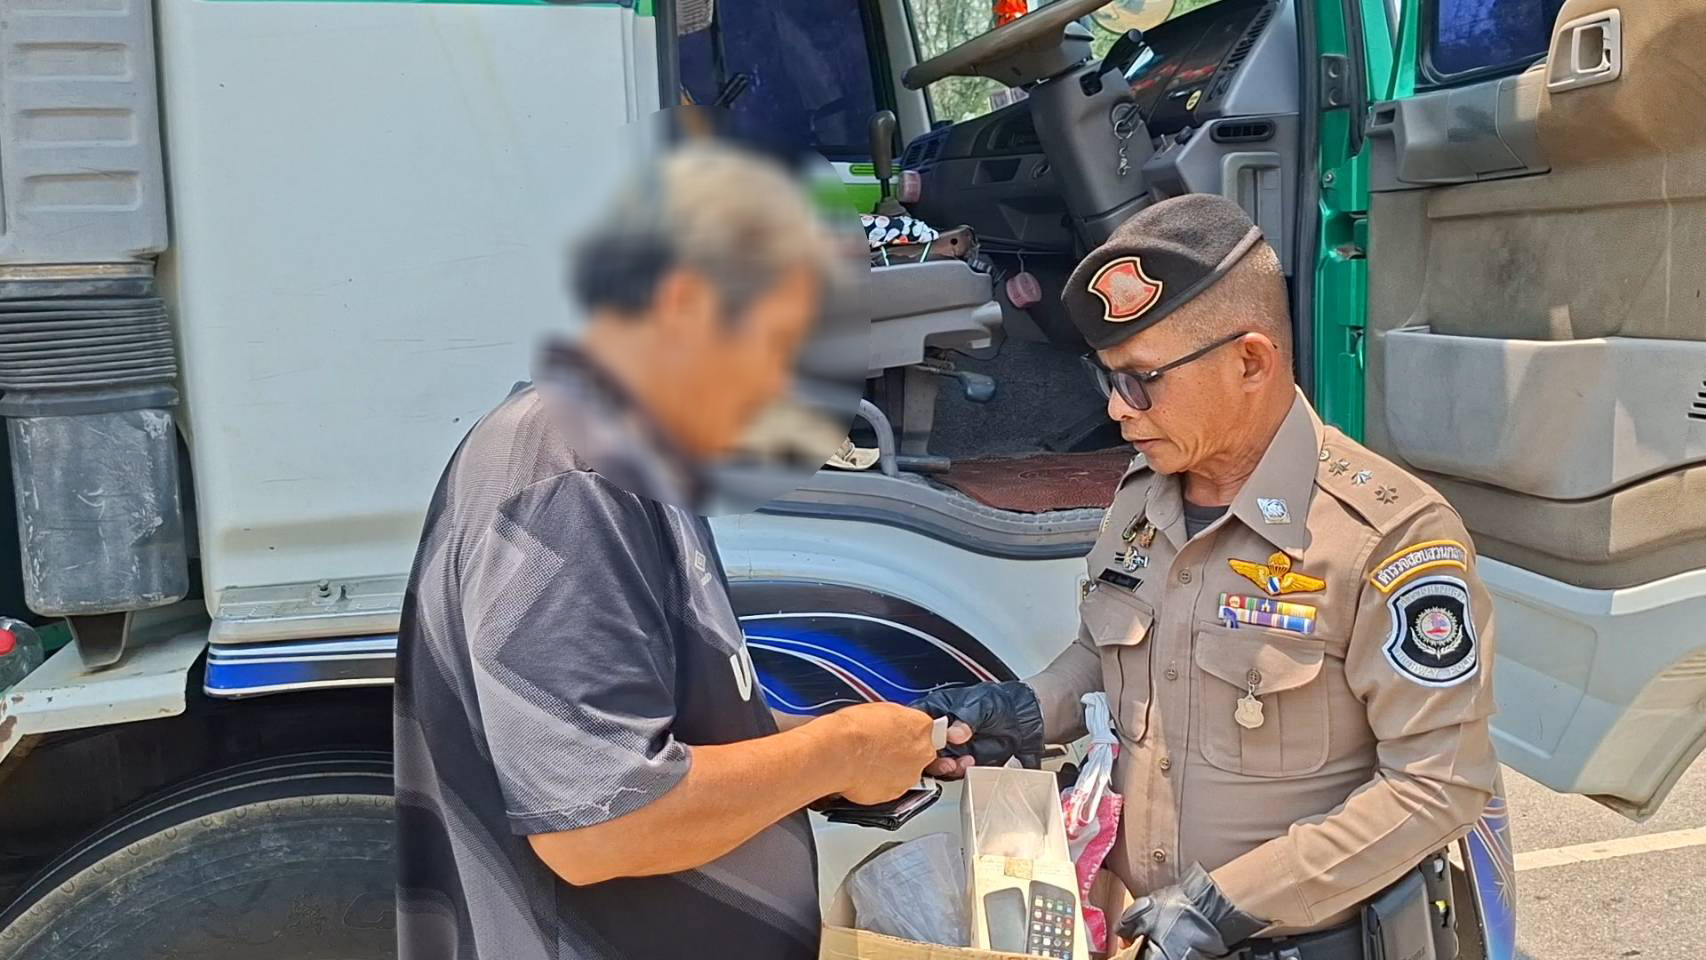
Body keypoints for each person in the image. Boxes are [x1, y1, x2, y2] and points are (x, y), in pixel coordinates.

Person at [393, 143, 942, 960]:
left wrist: (840, 749)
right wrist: (844, 751)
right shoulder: (574, 474)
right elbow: (601, 828)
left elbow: (656, 725)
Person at [917, 194, 1499, 960]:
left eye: (1142, 380)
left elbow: (1437, 786)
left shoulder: (1386, 537)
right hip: (1144, 936)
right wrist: (1027, 710)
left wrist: (1226, 905)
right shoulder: (1143, 498)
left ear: (1250, 361)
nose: (1118, 411)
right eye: (1106, 378)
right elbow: (1108, 654)